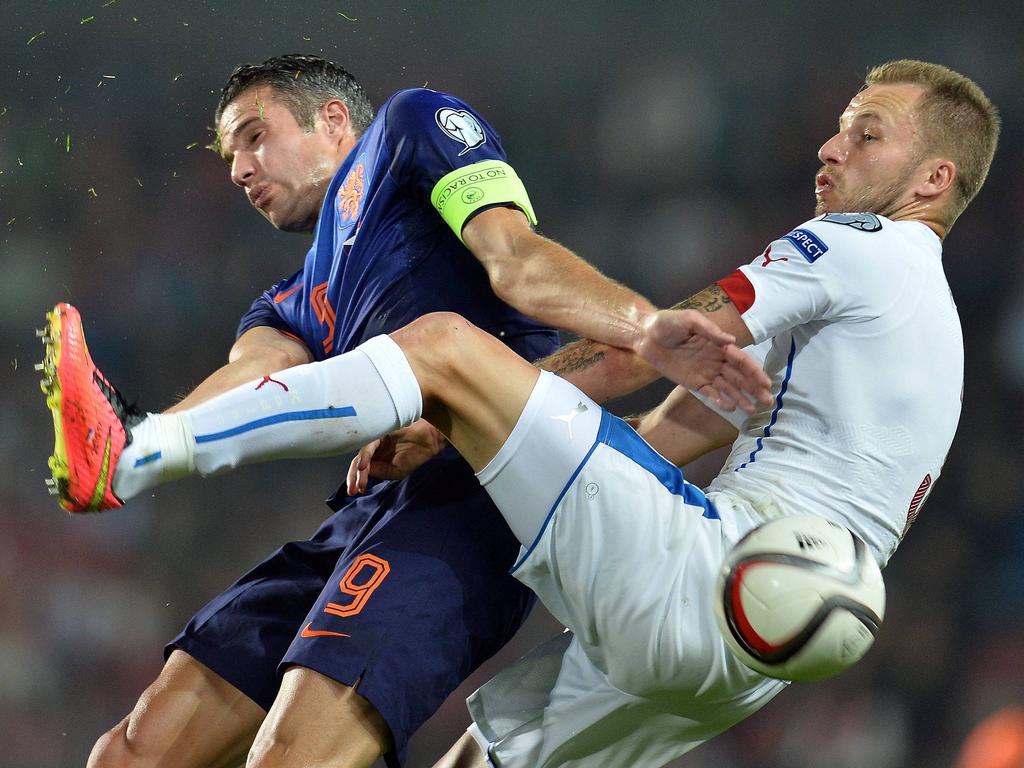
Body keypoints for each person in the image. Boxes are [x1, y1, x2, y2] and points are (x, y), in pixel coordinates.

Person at [42, 58, 999, 767]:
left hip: (720, 567)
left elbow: (659, 338)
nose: (831, 146)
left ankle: (132, 455)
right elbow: (689, 419)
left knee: (450, 346)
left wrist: (571, 364)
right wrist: (491, 434)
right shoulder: (927, 332)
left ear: (932, 182)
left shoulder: (859, 245)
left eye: (866, 133)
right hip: (755, 651)